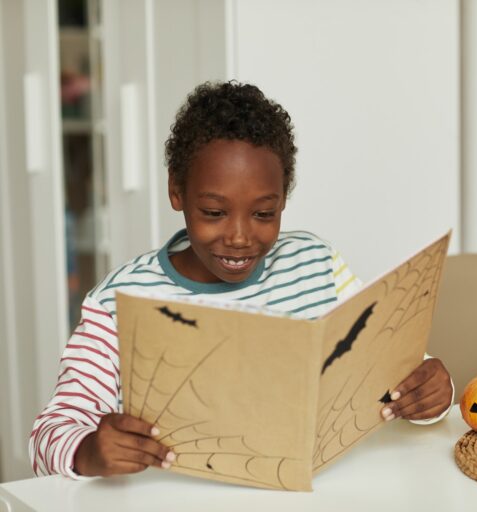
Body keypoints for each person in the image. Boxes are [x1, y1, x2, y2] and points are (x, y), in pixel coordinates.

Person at [29, 81, 454, 478]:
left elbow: (394, 369)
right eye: (214, 212)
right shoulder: (119, 301)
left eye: (264, 214)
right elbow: (49, 434)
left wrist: (434, 392)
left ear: (283, 198)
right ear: (177, 191)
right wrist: (88, 451)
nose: (239, 236)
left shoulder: (316, 263)